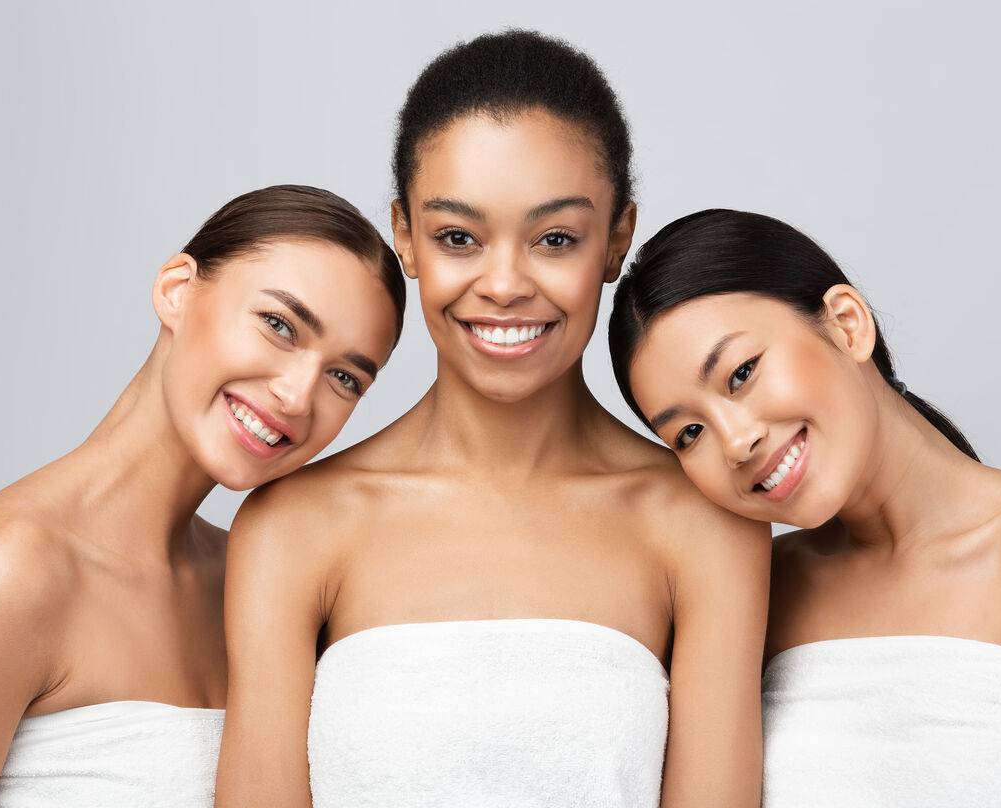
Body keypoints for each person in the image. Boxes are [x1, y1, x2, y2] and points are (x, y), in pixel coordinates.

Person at [214, 33, 769, 808]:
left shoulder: (705, 523)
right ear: (404, 235)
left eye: (555, 239)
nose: (504, 284)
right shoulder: (292, 526)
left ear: (617, 240)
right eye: (457, 238)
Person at [608, 208, 1001, 808]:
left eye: (741, 374)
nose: (736, 442)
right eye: (689, 433)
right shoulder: (758, 591)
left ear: (847, 324)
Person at [0, 185, 406, 808]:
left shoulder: (262, 580)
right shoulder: (14, 567)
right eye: (278, 325)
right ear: (176, 291)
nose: (298, 396)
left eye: (344, 377)